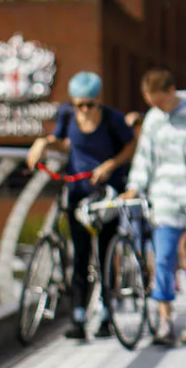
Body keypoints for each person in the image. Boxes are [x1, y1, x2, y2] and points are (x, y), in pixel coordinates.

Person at [26, 71, 136, 340]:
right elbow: (66, 145)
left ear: (98, 101)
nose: (84, 110)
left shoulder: (112, 119)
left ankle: (106, 316)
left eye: (89, 104)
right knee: (80, 255)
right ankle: (78, 317)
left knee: (105, 253)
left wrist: (110, 165)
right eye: (79, 105)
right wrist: (44, 143)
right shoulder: (66, 116)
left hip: (106, 193)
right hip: (77, 190)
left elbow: (132, 145)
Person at [125, 69, 186, 346]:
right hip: (165, 197)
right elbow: (144, 158)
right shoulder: (154, 119)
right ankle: (165, 321)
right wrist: (135, 186)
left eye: (159, 101)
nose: (156, 108)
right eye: (151, 103)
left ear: (171, 92)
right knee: (163, 258)